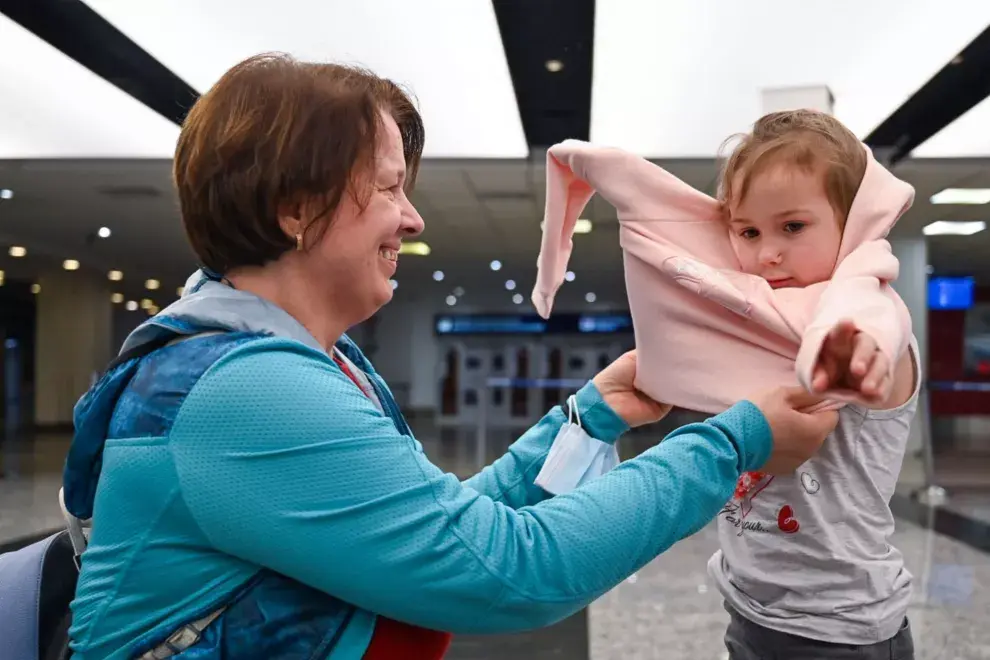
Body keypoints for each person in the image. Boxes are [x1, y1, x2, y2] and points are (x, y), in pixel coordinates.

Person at [61, 54, 838, 660]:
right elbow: (512, 571)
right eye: (391, 188)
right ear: (295, 210)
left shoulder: (302, 361)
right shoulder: (245, 389)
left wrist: (591, 419)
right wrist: (732, 441)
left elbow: (456, 524)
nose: (413, 216)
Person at [707, 110, 919, 660]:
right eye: (748, 231)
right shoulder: (763, 327)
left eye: (793, 227)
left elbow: (871, 331)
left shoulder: (871, 315)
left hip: (840, 625)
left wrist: (859, 350)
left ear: (851, 227)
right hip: (749, 604)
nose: (766, 253)